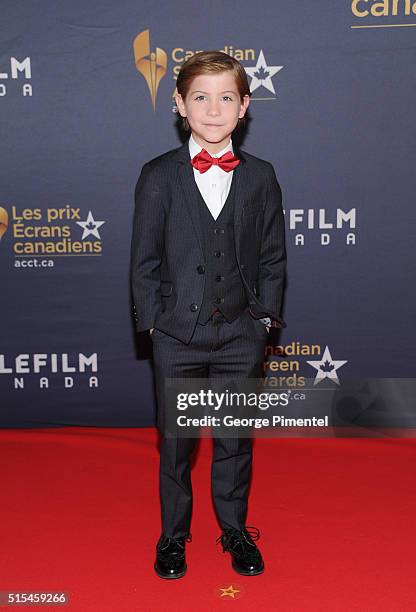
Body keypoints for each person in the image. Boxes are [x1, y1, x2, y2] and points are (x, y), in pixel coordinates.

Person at [130, 50, 286, 579]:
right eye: (200, 97)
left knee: (235, 441)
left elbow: (272, 257)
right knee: (176, 445)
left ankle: (235, 530)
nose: (213, 110)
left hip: (241, 333)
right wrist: (155, 324)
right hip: (178, 335)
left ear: (244, 107)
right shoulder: (157, 176)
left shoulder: (262, 176)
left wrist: (264, 319)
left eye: (226, 98)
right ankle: (173, 537)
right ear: (179, 104)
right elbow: (144, 260)